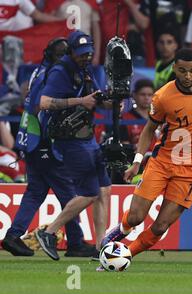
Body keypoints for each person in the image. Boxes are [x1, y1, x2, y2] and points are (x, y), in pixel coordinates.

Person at [98, 48, 192, 270]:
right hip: (163, 163)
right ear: (174, 69)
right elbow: (149, 130)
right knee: (135, 217)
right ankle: (113, 238)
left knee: (161, 226)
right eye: (182, 70)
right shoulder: (162, 97)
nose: (188, 76)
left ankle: (121, 257)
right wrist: (137, 161)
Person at [1, 37, 96, 257]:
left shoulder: (39, 72)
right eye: (66, 54)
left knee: (35, 191)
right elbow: (39, 106)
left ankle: (13, 237)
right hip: (45, 143)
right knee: (70, 194)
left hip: (32, 140)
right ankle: (75, 243)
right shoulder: (53, 76)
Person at [34, 30, 112, 260]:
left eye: (88, 53)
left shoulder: (85, 69)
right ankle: (48, 232)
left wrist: (114, 101)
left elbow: (97, 97)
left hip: (87, 136)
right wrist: (81, 101)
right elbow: (45, 102)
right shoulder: (61, 70)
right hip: (70, 139)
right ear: (70, 52)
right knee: (89, 193)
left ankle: (101, 247)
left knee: (104, 191)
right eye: (80, 54)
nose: (85, 57)